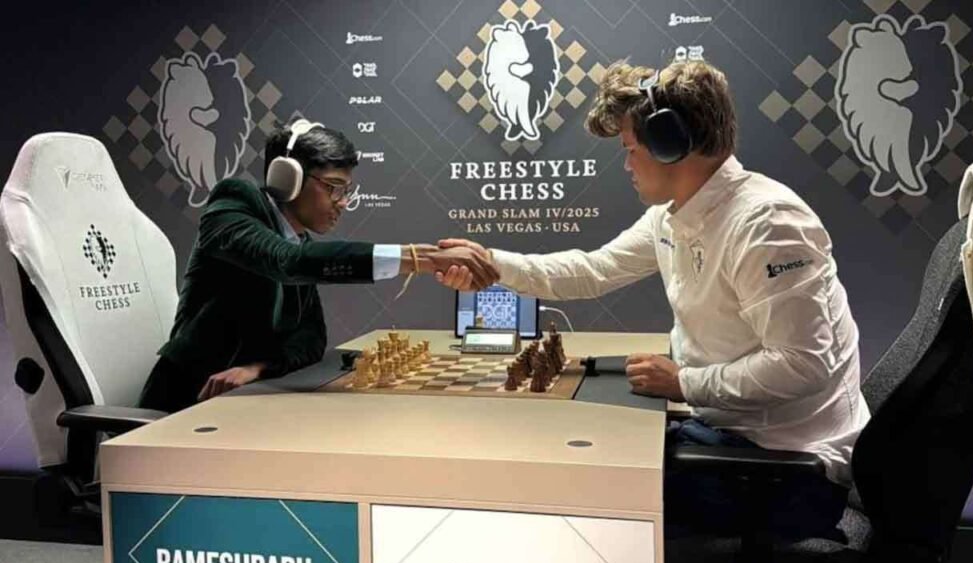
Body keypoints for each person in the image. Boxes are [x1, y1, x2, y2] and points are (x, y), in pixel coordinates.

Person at [440, 60, 869, 535]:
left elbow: (802, 365)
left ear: (671, 144)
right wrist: (490, 263)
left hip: (785, 471)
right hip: (727, 440)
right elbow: (592, 270)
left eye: (630, 148)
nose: (626, 165)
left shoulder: (767, 224)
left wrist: (684, 382)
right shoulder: (673, 216)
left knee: (570, 485)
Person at [139, 121, 498, 413]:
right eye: (334, 188)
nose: (343, 203)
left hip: (247, 400)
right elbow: (285, 262)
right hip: (185, 400)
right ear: (288, 178)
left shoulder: (301, 243)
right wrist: (420, 258)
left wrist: (258, 367)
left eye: (346, 191)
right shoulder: (234, 204)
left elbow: (311, 339)